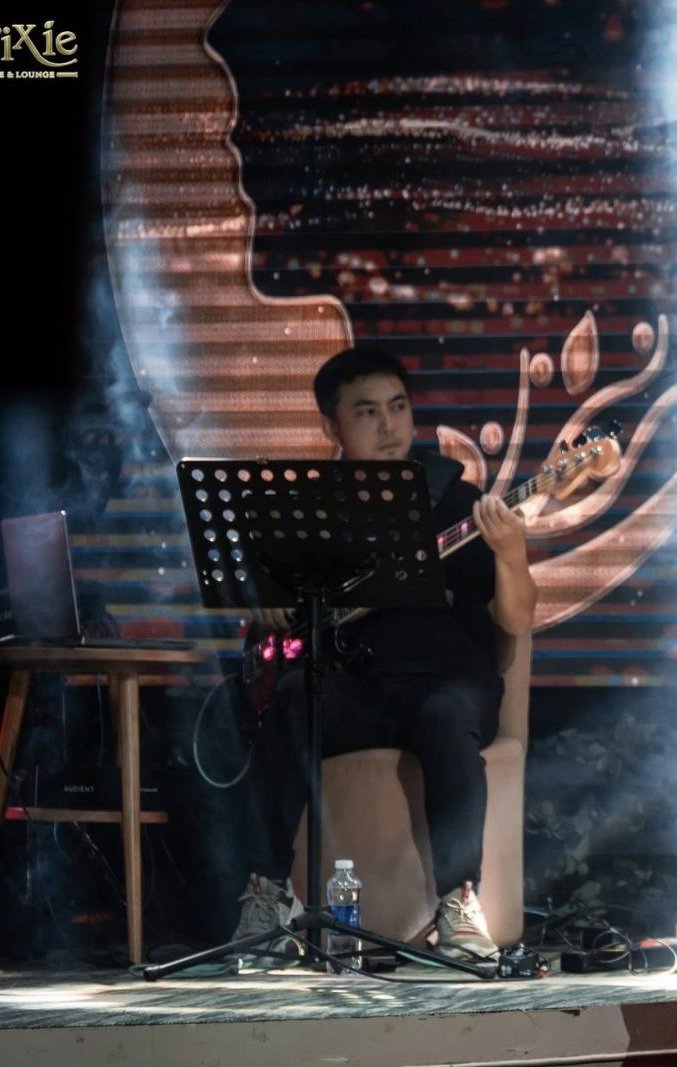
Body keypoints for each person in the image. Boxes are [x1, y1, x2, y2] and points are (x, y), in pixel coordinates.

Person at [233, 346, 537, 960]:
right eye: (367, 412)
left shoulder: (456, 501)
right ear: (333, 427)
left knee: (445, 718)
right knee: (291, 700)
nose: (389, 426)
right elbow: (279, 613)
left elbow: (515, 618)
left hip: (446, 681)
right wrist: (267, 601)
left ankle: (460, 903)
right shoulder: (312, 512)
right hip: (356, 686)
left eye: (398, 407)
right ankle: (268, 895)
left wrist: (511, 553)